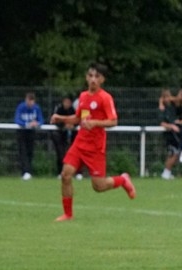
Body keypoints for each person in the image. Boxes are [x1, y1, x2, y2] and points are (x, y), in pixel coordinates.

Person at [50, 62, 135, 222]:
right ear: (86, 77)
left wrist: (95, 123)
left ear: (102, 79)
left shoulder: (105, 98)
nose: (93, 79)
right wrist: (61, 118)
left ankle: (123, 180)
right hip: (80, 143)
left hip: (95, 148)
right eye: (90, 75)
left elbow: (113, 121)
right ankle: (68, 214)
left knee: (99, 186)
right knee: (66, 175)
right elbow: (78, 119)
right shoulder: (83, 96)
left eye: (97, 76)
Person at [159, 87, 182, 179]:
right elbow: (162, 122)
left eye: (179, 94)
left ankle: (167, 172)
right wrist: (161, 103)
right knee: (173, 153)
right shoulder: (165, 108)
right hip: (171, 133)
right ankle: (166, 173)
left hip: (180, 129)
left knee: (175, 152)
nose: (176, 96)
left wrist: (181, 122)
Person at [13, 92, 43, 180]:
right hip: (22, 132)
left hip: (31, 132)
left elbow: (41, 120)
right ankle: (25, 172)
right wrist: (27, 124)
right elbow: (17, 119)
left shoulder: (36, 108)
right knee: (23, 151)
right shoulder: (21, 107)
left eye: (32, 101)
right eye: (29, 101)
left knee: (30, 151)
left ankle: (28, 172)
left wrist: (37, 123)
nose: (30, 103)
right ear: (26, 100)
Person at [50, 95, 76, 176]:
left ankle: (75, 172)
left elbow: (77, 119)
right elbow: (55, 121)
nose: (67, 104)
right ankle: (60, 171)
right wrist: (64, 125)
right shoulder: (58, 109)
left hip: (70, 136)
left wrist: (73, 125)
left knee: (70, 153)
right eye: (66, 102)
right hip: (59, 135)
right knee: (60, 153)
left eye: (69, 102)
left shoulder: (73, 110)